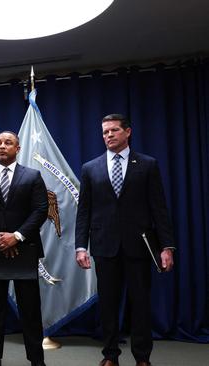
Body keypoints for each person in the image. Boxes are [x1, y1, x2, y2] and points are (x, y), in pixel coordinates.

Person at [75, 114, 175, 366]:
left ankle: (142, 358)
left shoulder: (147, 164)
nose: (108, 135)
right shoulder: (90, 168)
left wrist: (166, 246)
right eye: (105, 132)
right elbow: (84, 211)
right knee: (108, 305)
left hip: (139, 247)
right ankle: (110, 356)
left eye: (114, 130)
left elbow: (159, 208)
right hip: (104, 246)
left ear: (127, 132)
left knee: (140, 304)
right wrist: (80, 246)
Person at [0, 131, 48, 366]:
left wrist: (16, 236)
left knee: (30, 310)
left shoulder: (32, 176)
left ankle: (36, 360)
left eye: (8, 143)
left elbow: (40, 210)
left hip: (25, 250)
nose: (2, 146)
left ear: (18, 148)